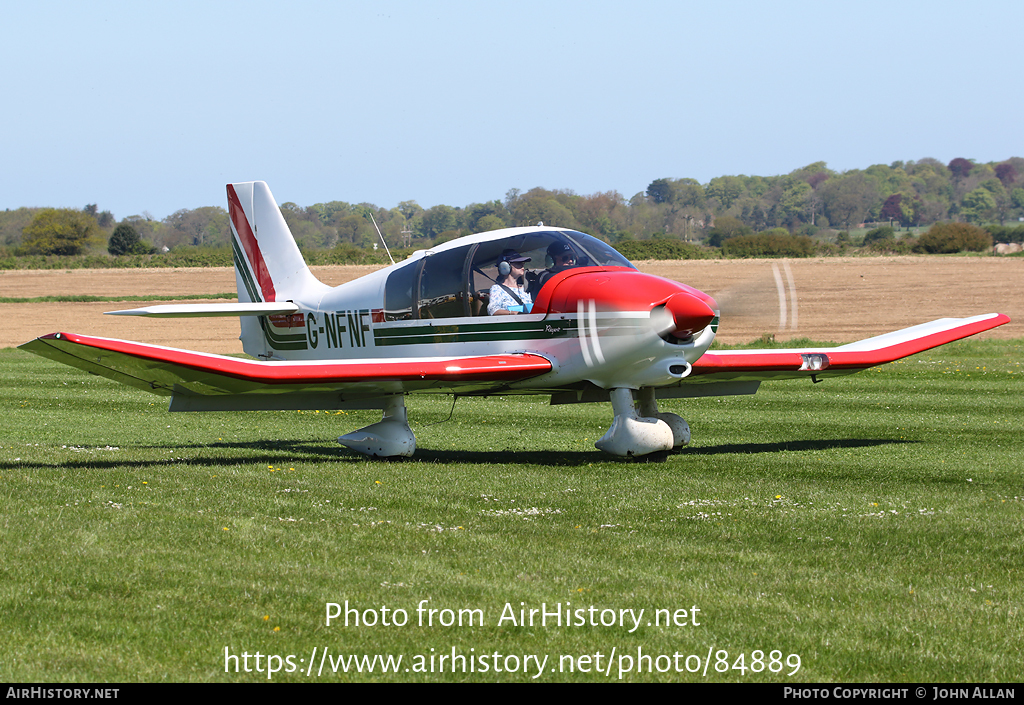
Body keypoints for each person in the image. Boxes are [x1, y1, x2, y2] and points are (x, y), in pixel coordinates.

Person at [488, 250, 533, 315]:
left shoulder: (525, 289)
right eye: (518, 263)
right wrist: (514, 313)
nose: (522, 266)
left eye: (523, 263)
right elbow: (492, 310)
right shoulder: (497, 289)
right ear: (505, 266)